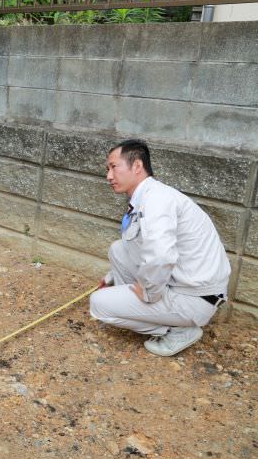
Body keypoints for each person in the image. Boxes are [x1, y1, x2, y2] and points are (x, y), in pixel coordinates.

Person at [90, 139, 231, 357]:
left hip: (194, 298)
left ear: (137, 166)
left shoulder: (157, 199)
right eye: (107, 169)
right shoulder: (150, 196)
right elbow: (142, 247)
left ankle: (178, 329)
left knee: (99, 304)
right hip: (184, 285)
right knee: (118, 249)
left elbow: (161, 255)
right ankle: (151, 310)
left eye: (113, 167)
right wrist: (111, 277)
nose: (108, 176)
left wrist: (147, 290)